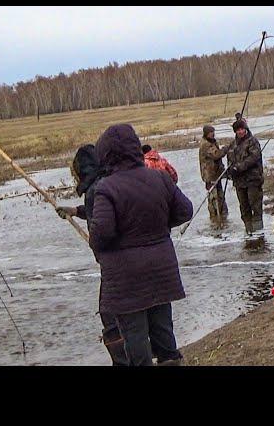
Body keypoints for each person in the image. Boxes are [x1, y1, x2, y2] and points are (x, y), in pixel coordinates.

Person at [89, 124, 193, 366]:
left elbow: (102, 233)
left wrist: (99, 242)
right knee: (163, 330)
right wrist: (160, 227)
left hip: (127, 278)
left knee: (135, 335)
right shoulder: (160, 178)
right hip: (161, 269)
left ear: (107, 154)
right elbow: (185, 211)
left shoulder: (107, 187)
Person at [55, 145, 128, 366]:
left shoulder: (97, 188)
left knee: (109, 313)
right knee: (123, 312)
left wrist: (97, 242)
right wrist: (75, 211)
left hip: (113, 262)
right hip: (120, 260)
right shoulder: (105, 182)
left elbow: (104, 224)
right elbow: (99, 212)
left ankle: (123, 362)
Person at [227, 119, 264, 234]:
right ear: (235, 131)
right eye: (238, 130)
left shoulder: (252, 141)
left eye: (242, 129)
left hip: (253, 179)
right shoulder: (232, 144)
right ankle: (249, 232)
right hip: (239, 182)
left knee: (255, 206)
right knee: (244, 208)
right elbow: (229, 159)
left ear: (246, 129)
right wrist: (230, 171)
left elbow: (254, 158)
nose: (241, 131)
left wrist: (239, 167)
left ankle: (259, 234)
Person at [198, 125, 229, 222]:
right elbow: (216, 155)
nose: (213, 134)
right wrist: (225, 149)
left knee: (220, 195)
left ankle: (222, 216)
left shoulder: (212, 142)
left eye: (213, 132)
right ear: (206, 133)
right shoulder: (205, 144)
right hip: (209, 176)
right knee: (213, 198)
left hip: (216, 174)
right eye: (211, 132)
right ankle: (215, 217)